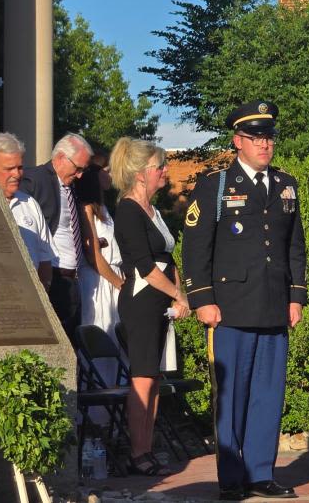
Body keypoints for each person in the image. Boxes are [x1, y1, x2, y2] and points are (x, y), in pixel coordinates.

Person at [182, 101, 305, 500]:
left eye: (268, 137)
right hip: (230, 307)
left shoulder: (286, 185)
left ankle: (260, 474)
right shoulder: (216, 185)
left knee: (268, 395)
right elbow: (196, 247)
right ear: (238, 141)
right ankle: (232, 478)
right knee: (231, 396)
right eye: (256, 138)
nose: (265, 145)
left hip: (272, 305)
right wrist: (201, 298)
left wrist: (295, 296)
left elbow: (294, 247)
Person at [111, 137, 190, 476]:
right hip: (142, 299)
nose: (165, 171)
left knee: (153, 377)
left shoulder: (154, 211)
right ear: (142, 174)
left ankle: (148, 447)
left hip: (161, 299)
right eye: (160, 167)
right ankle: (137, 451)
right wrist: (176, 293)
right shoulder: (127, 210)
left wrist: (180, 293)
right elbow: (146, 267)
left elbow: (168, 256)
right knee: (142, 376)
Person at [20, 133, 94, 339]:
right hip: (51, 276)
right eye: (78, 168)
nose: (80, 175)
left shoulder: (71, 187)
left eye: (83, 170)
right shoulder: (35, 179)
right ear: (61, 158)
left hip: (72, 280)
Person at [0, 132, 56, 288]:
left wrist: (45, 291)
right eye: (9, 168)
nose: (16, 174)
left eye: (20, 167)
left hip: (28, 304)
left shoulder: (30, 204)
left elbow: (45, 258)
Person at [75, 163, 124, 391]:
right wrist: (119, 283)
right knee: (101, 332)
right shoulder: (86, 208)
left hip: (113, 277)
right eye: (106, 169)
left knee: (116, 341)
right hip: (98, 280)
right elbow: (92, 253)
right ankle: (97, 416)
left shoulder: (104, 208)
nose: (110, 174)